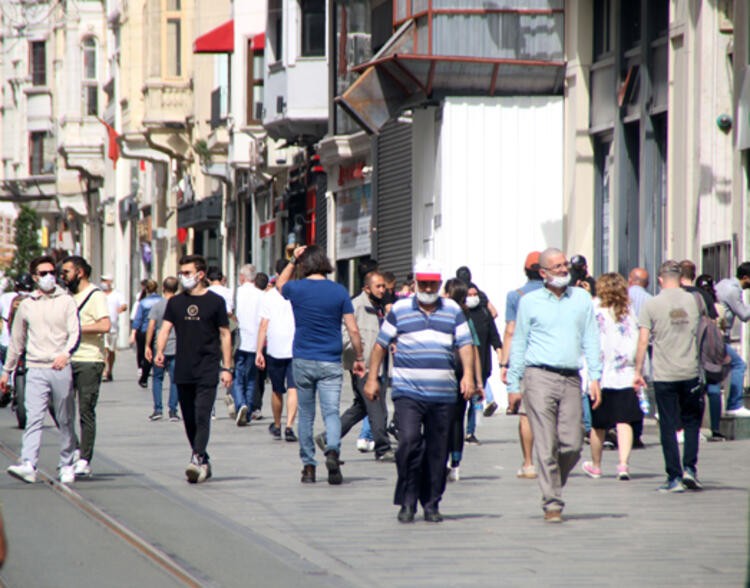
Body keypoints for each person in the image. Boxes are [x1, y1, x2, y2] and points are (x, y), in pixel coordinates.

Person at [364, 259, 474, 523]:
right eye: (422, 283)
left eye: (432, 283)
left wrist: (468, 376)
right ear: (415, 283)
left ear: (439, 283)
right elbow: (380, 345)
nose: (427, 287)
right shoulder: (400, 310)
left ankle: (432, 503)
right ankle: (408, 499)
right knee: (408, 443)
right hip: (408, 392)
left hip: (443, 393)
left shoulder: (452, 311)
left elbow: (465, 345)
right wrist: (372, 378)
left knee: (438, 451)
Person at [507, 248, 602, 523]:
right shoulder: (530, 302)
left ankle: (553, 480)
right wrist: (514, 383)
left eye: (565, 265)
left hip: (572, 377)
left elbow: (591, 338)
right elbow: (520, 342)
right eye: (557, 266)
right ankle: (552, 502)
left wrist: (595, 377)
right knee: (546, 444)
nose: (563, 270)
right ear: (543, 273)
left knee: (572, 443)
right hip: (538, 377)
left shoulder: (582, 298)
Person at [277, 245, 365, 485]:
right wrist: (359, 357)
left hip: (303, 359)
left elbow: (279, 284)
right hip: (330, 361)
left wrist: (293, 261)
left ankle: (308, 467)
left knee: (306, 415)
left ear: (305, 264)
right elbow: (353, 329)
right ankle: (333, 450)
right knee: (331, 413)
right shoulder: (338, 291)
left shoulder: (296, 288)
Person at [1, 256, 81, 484]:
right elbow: (17, 341)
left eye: (51, 272)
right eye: (43, 273)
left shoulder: (66, 301)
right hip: (35, 367)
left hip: (60, 367)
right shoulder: (26, 305)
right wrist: (7, 371)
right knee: (34, 418)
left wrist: (65, 354)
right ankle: (28, 463)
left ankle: (67, 462)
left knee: (65, 418)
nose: (49, 277)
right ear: (35, 277)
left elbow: (75, 332)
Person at [155, 255, 232, 484]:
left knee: (202, 414)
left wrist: (227, 367)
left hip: (208, 367)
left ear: (200, 274)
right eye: (181, 273)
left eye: (187, 273)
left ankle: (196, 458)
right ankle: (204, 459)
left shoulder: (215, 302)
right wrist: (159, 350)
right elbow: (165, 329)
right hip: (183, 367)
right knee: (188, 418)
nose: (183, 277)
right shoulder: (176, 302)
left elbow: (225, 334)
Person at [634, 260, 702, 492]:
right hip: (690, 370)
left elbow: (643, 340)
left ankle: (674, 476)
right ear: (681, 277)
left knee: (668, 425)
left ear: (661, 279)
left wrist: (638, 371)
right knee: (692, 422)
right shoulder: (693, 300)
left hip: (664, 374)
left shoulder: (652, 304)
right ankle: (690, 468)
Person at [314, 270, 395, 461]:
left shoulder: (382, 306)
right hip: (363, 366)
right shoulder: (356, 306)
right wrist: (357, 357)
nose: (383, 290)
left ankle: (327, 437)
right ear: (367, 288)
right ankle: (383, 449)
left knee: (361, 406)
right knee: (375, 405)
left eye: (384, 286)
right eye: (378, 286)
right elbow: (344, 335)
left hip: (379, 364)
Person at [581, 273, 642, 481]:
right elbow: (636, 338)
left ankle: (596, 465)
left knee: (598, 424)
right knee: (624, 421)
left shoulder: (593, 307)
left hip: (600, 374)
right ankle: (623, 464)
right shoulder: (628, 310)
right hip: (625, 372)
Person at [60, 256, 111, 478]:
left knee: (85, 410)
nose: (63, 276)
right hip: (66, 359)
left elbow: (104, 324)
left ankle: (84, 459)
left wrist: (76, 328)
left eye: (66, 272)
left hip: (90, 360)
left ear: (79, 272)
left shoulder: (95, 295)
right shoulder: (66, 297)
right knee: (61, 408)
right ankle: (76, 447)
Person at [500, 251, 544, 479]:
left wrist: (504, 363)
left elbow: (510, 330)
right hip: (549, 360)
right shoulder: (556, 294)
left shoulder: (515, 296)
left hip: (525, 362)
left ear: (526, 270)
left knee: (526, 414)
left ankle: (528, 463)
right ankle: (548, 460)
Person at [444, 279, 483, 482]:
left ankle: (443, 460)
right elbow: (474, 350)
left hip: (447, 373)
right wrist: (477, 380)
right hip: (462, 375)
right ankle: (455, 463)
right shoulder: (466, 317)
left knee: (443, 419)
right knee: (457, 419)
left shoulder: (443, 314)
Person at [255, 261, 298, 442]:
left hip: (275, 349)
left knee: (276, 389)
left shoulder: (268, 296)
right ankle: (289, 426)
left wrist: (258, 351)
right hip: (296, 348)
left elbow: (263, 325)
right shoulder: (298, 293)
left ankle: (278, 424)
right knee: (293, 388)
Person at [465, 282, 502, 435]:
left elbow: (495, 337)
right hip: (464, 365)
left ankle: (470, 432)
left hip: (483, 364)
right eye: (469, 295)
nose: (473, 298)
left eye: (475, 295)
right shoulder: (460, 315)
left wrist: (502, 360)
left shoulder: (485, 314)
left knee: (474, 401)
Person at [696, 274, 729, 440]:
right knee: (714, 388)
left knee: (699, 389)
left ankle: (698, 427)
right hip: (715, 352)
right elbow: (723, 327)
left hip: (698, 351)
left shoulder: (694, 302)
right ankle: (715, 428)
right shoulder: (719, 308)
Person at [714, 262, 750, 417]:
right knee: (739, 365)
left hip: (716, 335)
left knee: (719, 372)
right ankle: (734, 405)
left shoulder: (723, 283)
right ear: (746, 278)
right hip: (719, 336)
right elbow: (744, 315)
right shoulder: (733, 291)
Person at [144, 277, 180, 422]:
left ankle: (158, 409)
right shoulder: (180, 305)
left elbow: (151, 327)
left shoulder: (157, 306)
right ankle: (173, 411)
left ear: (163, 288)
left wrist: (147, 346)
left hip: (159, 346)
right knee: (175, 380)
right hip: (177, 346)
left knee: (157, 379)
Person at [232, 264, 263, 425]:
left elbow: (231, 313)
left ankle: (241, 404)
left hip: (240, 341)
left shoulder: (237, 292)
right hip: (255, 343)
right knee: (251, 378)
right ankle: (249, 411)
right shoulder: (261, 294)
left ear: (243, 277)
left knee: (238, 377)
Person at [130, 280, 161, 388]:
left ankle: (144, 376)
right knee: (157, 352)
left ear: (146, 289)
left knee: (145, 353)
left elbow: (138, 319)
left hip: (144, 330)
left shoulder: (143, 302)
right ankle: (157, 372)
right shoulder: (162, 301)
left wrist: (133, 332)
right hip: (158, 330)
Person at [100, 274, 127, 382]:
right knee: (104, 349)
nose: (103, 282)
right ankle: (104, 371)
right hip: (102, 327)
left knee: (111, 350)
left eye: (105, 280)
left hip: (113, 327)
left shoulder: (117, 294)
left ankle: (110, 370)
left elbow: (124, 304)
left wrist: (121, 308)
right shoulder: (99, 294)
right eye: (102, 280)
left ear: (110, 282)